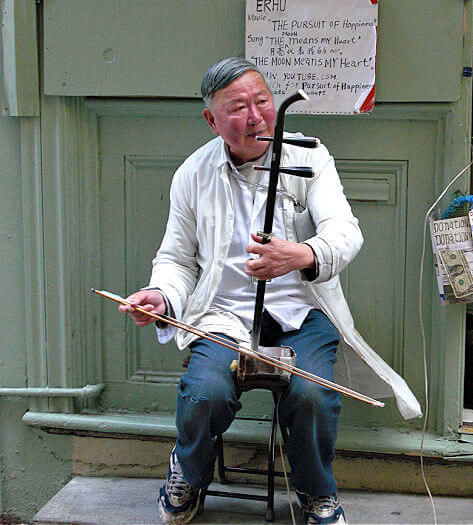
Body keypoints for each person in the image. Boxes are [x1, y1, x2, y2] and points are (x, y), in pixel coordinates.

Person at [118, 57, 421, 525]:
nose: (256, 116)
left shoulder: (309, 156)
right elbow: (176, 259)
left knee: (312, 397)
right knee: (205, 393)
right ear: (212, 120)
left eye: (263, 102)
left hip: (303, 311)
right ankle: (188, 473)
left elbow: (345, 231)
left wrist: (300, 255)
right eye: (238, 107)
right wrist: (161, 297)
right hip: (223, 315)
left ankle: (314, 490)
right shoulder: (192, 174)